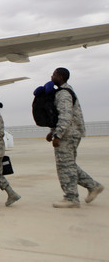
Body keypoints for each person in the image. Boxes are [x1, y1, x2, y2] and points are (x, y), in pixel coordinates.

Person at [47, 67, 104, 208]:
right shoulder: (65, 91)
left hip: (68, 134)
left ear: (60, 77)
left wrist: (58, 135)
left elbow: (65, 116)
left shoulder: (64, 94)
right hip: (70, 132)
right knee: (69, 165)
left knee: (65, 166)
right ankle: (93, 186)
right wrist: (52, 131)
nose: (51, 76)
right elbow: (61, 116)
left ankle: (71, 198)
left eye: (54, 74)